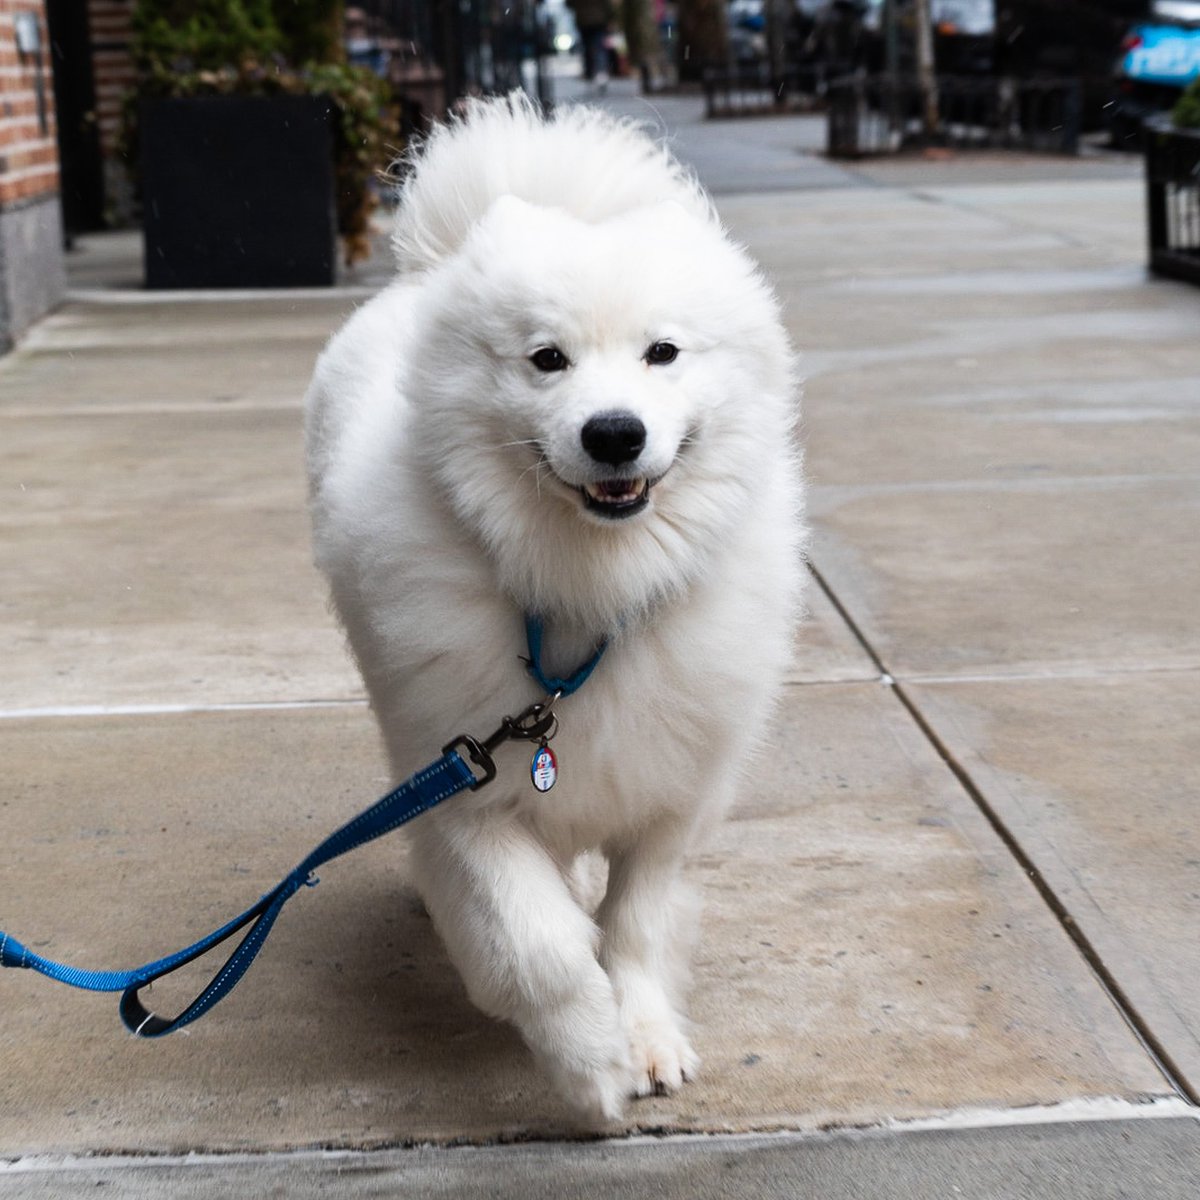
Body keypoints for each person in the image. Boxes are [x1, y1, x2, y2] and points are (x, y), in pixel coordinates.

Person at [568, 0, 614, 84]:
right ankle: (601, 71)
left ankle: (590, 72)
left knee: (588, 47)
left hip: (584, 20)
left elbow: (570, 4)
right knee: (599, 47)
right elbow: (607, 4)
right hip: (598, 19)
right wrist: (610, 17)